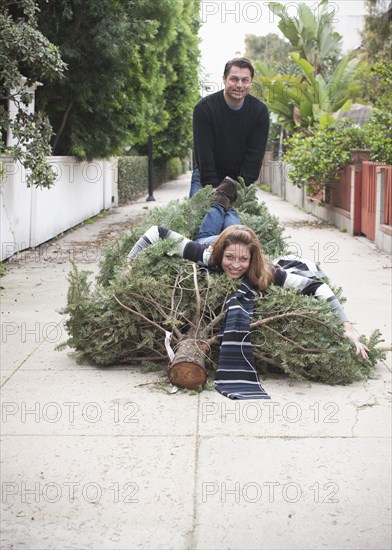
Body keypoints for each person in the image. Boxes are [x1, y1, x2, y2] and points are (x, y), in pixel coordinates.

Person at [190, 57, 270, 198]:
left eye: (245, 80)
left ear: (251, 82)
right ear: (224, 79)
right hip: (206, 176)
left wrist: (238, 189)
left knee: (239, 220)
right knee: (204, 218)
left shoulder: (259, 112)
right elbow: (204, 154)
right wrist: (215, 190)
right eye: (234, 79)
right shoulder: (204, 109)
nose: (239, 85)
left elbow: (254, 158)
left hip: (240, 181)